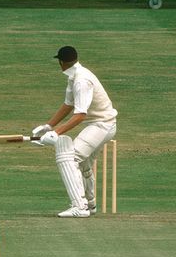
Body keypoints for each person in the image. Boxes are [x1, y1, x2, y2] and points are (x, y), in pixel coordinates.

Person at [32, 46, 117, 218]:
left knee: (70, 157)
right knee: (83, 161)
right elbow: (68, 105)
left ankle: (80, 206)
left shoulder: (81, 80)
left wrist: (56, 133)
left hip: (102, 125)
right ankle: (90, 205)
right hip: (100, 124)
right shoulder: (75, 76)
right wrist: (49, 126)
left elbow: (80, 115)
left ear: (61, 63)